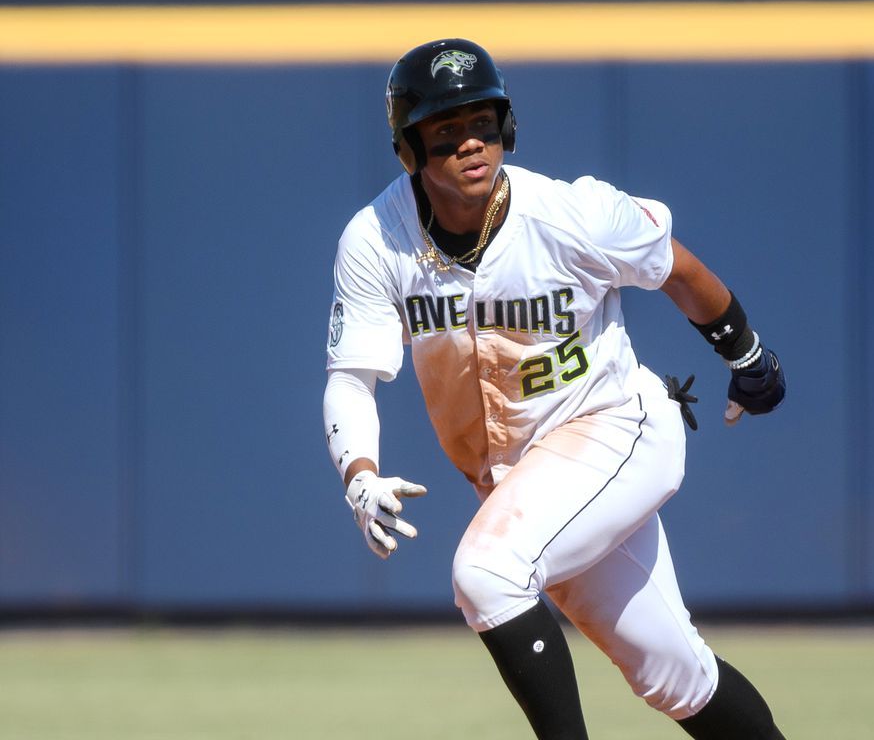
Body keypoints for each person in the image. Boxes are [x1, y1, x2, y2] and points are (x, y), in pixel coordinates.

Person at [323, 38, 788, 739]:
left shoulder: (570, 214)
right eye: (445, 129)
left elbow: (676, 268)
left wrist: (746, 353)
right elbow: (351, 378)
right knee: (676, 676)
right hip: (522, 479)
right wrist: (359, 474)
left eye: (483, 122)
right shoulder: (376, 240)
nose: (470, 142)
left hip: (616, 429)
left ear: (507, 127)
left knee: (487, 571)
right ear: (408, 150)